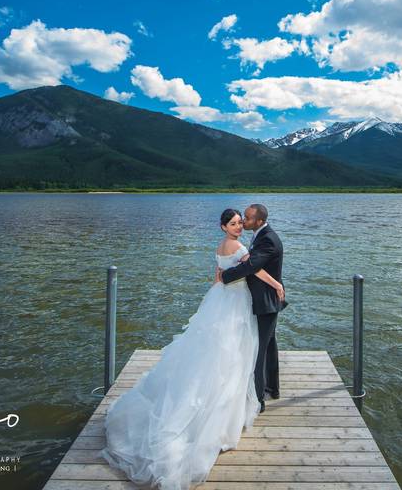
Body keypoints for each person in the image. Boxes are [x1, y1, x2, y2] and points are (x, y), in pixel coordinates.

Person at [100, 208, 285, 490]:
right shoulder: (237, 245)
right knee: (234, 352)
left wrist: (217, 288)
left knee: (229, 350)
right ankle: (243, 402)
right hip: (235, 303)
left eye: (241, 222)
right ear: (224, 226)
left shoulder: (223, 245)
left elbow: (220, 274)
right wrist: (277, 284)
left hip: (224, 299)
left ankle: (263, 390)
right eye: (234, 223)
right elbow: (251, 269)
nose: (239, 226)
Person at [215, 203, 286, 412]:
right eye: (238, 221)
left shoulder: (268, 240)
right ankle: (271, 388)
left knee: (259, 349)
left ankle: (258, 399)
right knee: (268, 345)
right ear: (224, 227)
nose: (243, 223)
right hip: (261, 300)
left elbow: (252, 266)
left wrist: (224, 277)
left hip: (265, 302)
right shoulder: (260, 236)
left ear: (260, 221)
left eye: (246, 219)